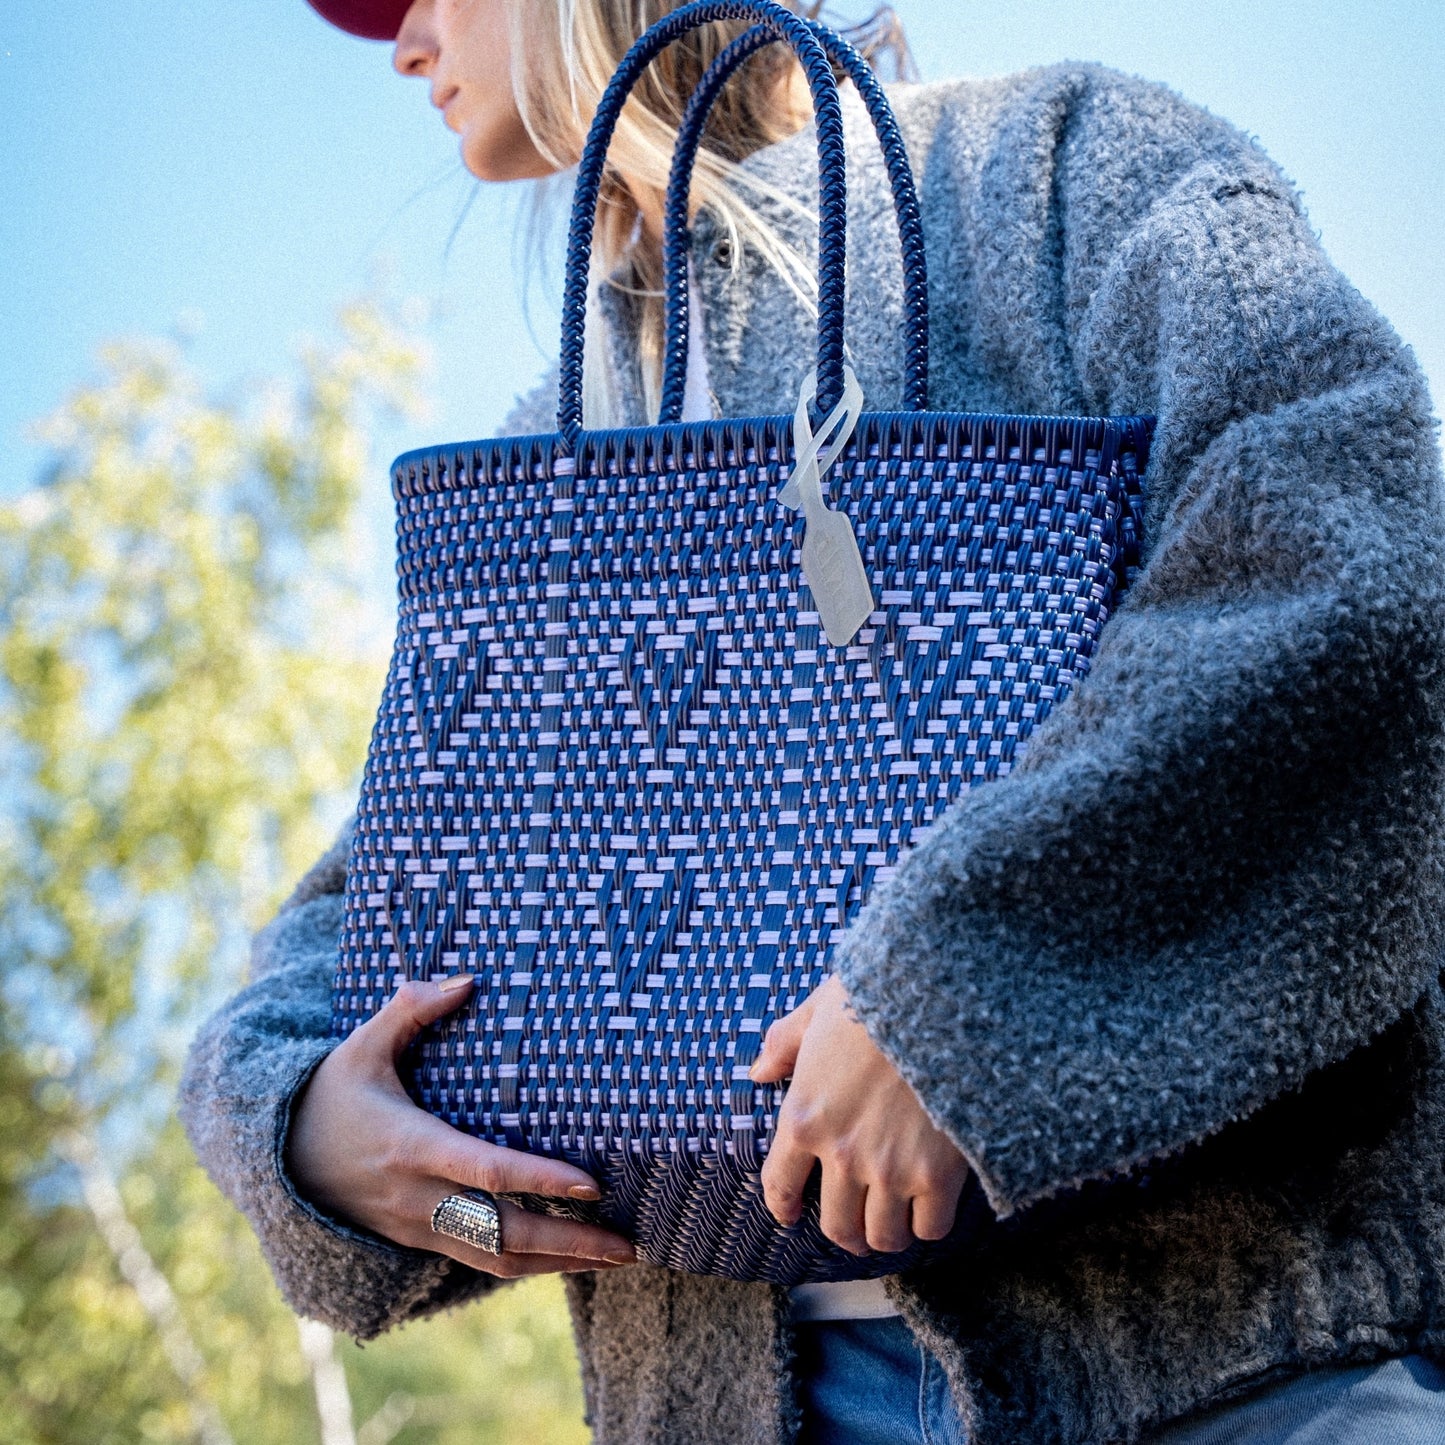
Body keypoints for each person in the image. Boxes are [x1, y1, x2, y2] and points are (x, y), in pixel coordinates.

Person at [180, 1, 1445, 1441]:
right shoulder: (557, 437)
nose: (394, 40)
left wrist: (963, 990)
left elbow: (1338, 551)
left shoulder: (1053, 172)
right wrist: (301, 1132)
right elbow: (390, 891)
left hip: (1242, 1378)